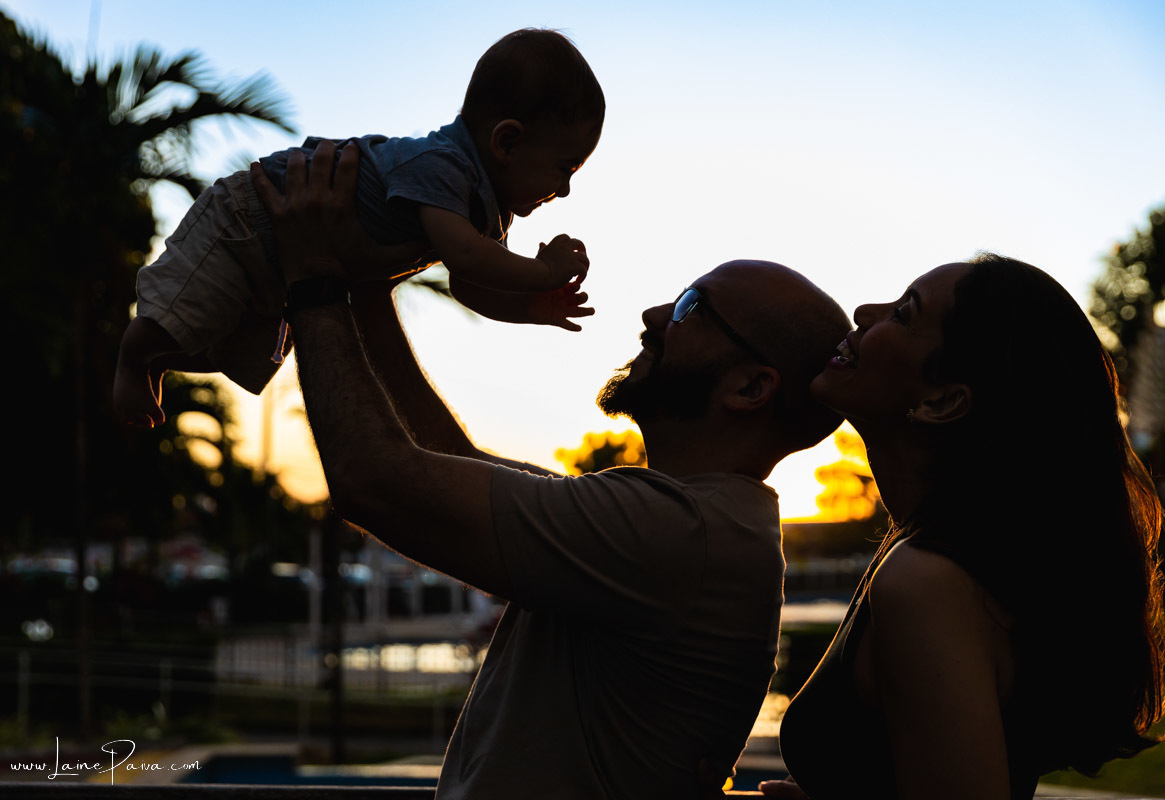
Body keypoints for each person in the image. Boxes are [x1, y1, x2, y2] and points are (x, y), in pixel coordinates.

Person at [248, 140, 852, 799]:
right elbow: (454, 464)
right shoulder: (683, 520)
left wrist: (313, 279)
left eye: (688, 309)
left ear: (749, 387)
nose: (653, 318)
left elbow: (378, 481)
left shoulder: (678, 532)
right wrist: (366, 289)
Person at [744, 256, 1165, 799]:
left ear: (942, 401)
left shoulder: (926, 581)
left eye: (902, 314)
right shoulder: (924, 554)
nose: (863, 312)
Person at [114, 28, 602, 427]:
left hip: (284, 261)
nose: (564, 190)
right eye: (565, 168)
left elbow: (470, 286)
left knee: (230, 350)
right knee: (187, 315)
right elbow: (467, 259)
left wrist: (529, 306)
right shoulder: (444, 166)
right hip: (250, 217)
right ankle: (134, 355)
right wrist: (542, 269)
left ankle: (153, 359)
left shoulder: (487, 209)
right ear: (507, 142)